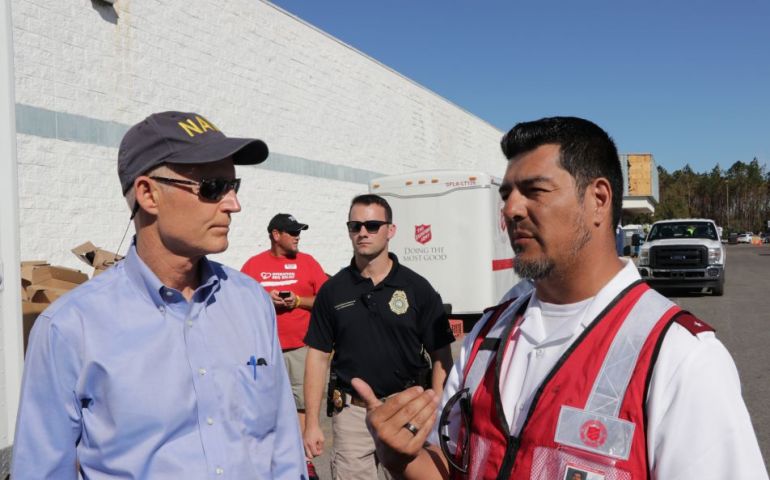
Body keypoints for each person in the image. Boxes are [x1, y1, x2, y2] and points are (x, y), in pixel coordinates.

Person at [354, 117, 768, 479]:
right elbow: (451, 466)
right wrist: (399, 458)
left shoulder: (679, 356)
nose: (512, 209)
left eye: (535, 190)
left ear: (598, 200)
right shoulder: (486, 334)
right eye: (507, 195)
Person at [12, 111, 307, 479]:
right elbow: (42, 470)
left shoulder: (251, 302)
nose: (233, 204)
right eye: (213, 187)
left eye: (235, 187)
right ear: (148, 194)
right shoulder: (71, 327)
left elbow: (282, 443)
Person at [303, 194, 455, 480]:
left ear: (391, 230)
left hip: (406, 410)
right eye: (355, 225)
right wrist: (312, 423)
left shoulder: (417, 288)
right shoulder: (332, 291)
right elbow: (318, 357)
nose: (362, 232)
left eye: (372, 225)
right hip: (353, 417)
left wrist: (435, 415)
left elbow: (441, 355)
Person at [241, 212, 328, 478]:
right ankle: (273, 457)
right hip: (267, 350)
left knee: (302, 404)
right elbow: (242, 301)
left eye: (299, 231)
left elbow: (325, 300)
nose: (297, 236)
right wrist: (266, 298)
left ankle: (303, 459)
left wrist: (298, 301)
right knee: (267, 403)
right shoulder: (253, 265)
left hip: (302, 348)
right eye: (292, 232)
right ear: (275, 235)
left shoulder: (308, 262)